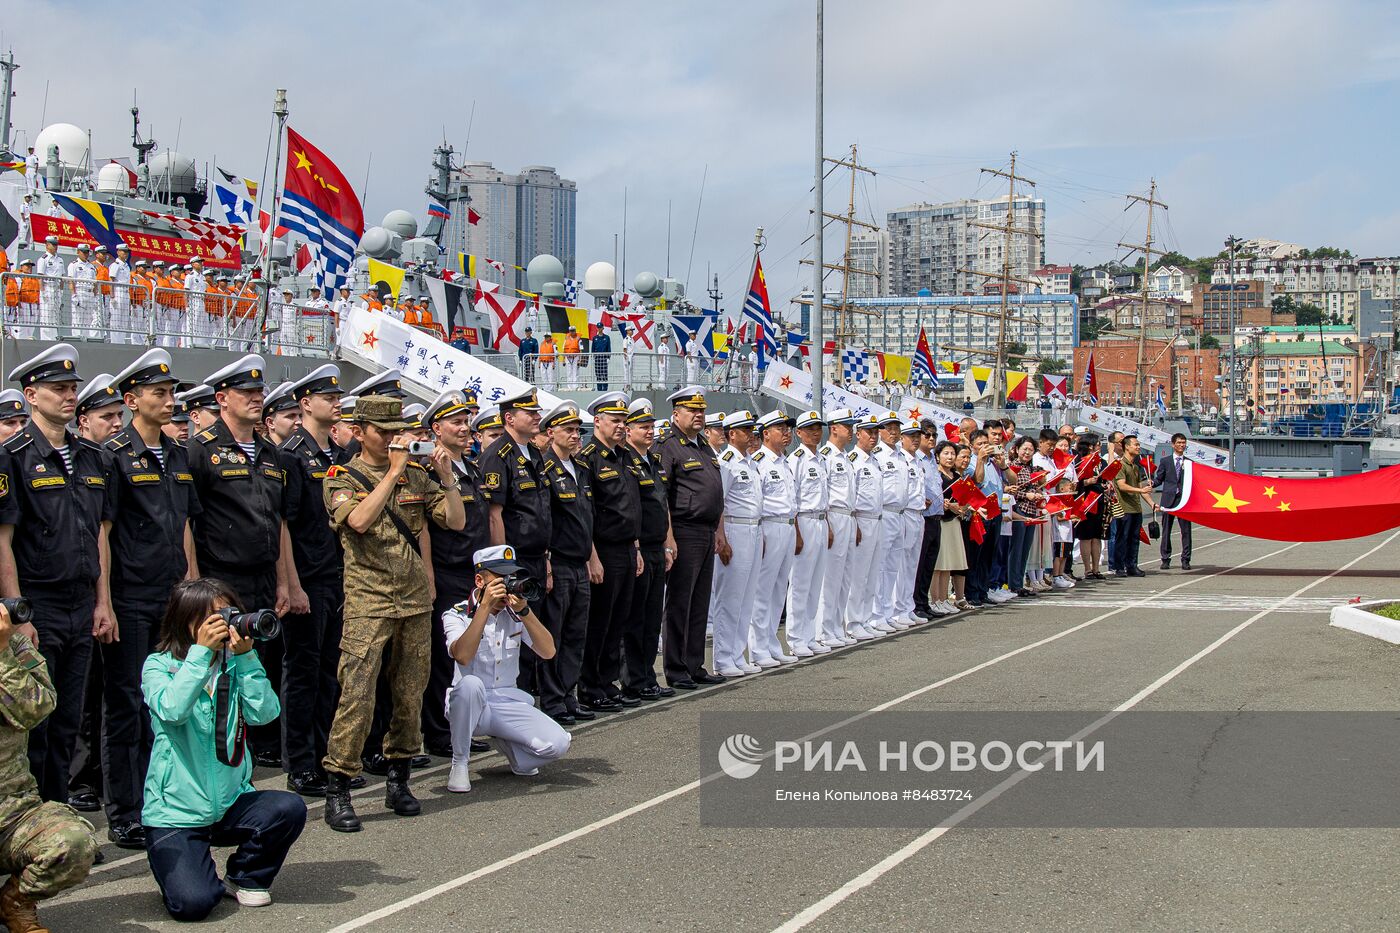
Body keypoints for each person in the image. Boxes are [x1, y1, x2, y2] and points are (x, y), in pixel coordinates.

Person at [320, 396, 464, 832]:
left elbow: (454, 522)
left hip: (415, 599)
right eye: (383, 433)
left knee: (409, 693)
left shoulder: (419, 474)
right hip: (369, 601)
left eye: (397, 431)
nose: (392, 440)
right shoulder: (342, 477)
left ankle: (400, 777)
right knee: (357, 695)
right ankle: (339, 786)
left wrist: (446, 477)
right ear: (359, 431)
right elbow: (359, 521)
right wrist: (395, 472)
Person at [142, 578, 307, 919]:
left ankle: (244, 877)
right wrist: (201, 654)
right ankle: (188, 873)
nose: (226, 622)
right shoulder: (158, 665)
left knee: (288, 807)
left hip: (230, 802)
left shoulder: (233, 663)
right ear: (186, 621)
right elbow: (172, 710)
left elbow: (265, 714)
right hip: (175, 813)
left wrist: (246, 659)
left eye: (230, 613)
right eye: (214, 617)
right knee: (194, 904)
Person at [0, 345, 118, 804]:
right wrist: (18, 612)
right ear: (32, 394)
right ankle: (30, 819)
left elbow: (98, 538)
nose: (69, 396)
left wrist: (102, 602)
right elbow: (3, 540)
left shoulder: (92, 457)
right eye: (58, 389)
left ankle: (59, 807)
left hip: (81, 602)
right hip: (38, 605)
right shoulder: (12, 456)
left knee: (69, 718)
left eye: (72, 388)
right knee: (35, 722)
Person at [99, 349, 201, 849]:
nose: (169, 401)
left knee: (174, 704)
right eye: (158, 393)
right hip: (131, 595)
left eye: (171, 392)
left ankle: (165, 797)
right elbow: (103, 533)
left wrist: (196, 593)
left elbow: (185, 527)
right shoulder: (113, 454)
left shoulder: (178, 455)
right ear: (131, 399)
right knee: (128, 705)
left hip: (172, 596)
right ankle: (125, 810)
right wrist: (105, 601)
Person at [187, 355, 294, 768]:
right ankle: (215, 761)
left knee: (255, 671)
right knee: (217, 675)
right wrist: (196, 586)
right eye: (246, 393)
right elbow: (188, 522)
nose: (256, 398)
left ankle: (243, 758)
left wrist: (285, 583)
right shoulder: (200, 450)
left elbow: (278, 522)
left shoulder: (270, 453)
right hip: (221, 579)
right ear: (222, 399)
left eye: (258, 392)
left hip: (264, 578)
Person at [0, 603, 99, 933]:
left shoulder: (13, 643)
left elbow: (38, 708)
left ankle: (16, 901)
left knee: (74, 843)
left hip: (13, 814)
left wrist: (1, 653)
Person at [443, 545, 571, 793]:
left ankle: (518, 757)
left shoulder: (515, 614)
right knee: (470, 685)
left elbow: (548, 651)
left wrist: (524, 611)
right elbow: (463, 656)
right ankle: (459, 763)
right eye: (500, 580)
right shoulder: (457, 614)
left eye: (511, 578)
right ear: (480, 581)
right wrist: (483, 609)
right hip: (470, 707)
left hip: (507, 702)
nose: (507, 586)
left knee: (558, 744)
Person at [276, 365, 346, 797]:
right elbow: (284, 523)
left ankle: (326, 754)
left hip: (337, 575)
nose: (337, 404)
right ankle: (300, 763)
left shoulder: (336, 454)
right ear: (305, 404)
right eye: (328, 397)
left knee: (330, 673)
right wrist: (293, 584)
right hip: (308, 577)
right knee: (302, 673)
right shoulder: (291, 454)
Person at [420, 390, 491, 753]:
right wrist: (429, 576)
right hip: (447, 572)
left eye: (466, 422)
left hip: (473, 573)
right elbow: (424, 529)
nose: (465, 429)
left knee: (471, 655)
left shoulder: (472, 467)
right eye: (456, 423)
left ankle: (461, 726)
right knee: (444, 655)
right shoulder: (430, 469)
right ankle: (436, 731)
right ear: (437, 429)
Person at [655, 387, 725, 689]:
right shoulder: (668, 446)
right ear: (676, 414)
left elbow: (716, 492)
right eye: (692, 411)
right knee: (680, 603)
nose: (698, 415)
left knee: (699, 602)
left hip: (706, 531)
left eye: (701, 410)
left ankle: (695, 664)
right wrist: (669, 538)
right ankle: (676, 668)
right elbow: (663, 497)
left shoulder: (704, 447)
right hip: (684, 530)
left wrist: (719, 531)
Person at [578, 392, 643, 712]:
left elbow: (630, 507)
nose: (621, 426)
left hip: (626, 548)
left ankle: (607, 681)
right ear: (597, 422)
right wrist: (593, 557)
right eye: (615, 420)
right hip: (603, 550)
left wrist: (637, 548)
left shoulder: (625, 456)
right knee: (600, 621)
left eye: (623, 421)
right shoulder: (589, 458)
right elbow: (586, 512)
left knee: (619, 619)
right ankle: (590, 686)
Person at [534, 402, 595, 724]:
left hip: (579, 562)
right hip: (557, 562)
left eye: (576, 430)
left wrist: (591, 557)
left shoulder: (580, 468)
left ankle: (568, 694)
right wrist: (545, 561)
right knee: (553, 635)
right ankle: (553, 699)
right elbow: (545, 520)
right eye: (568, 430)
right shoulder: (544, 469)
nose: (574, 435)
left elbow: (587, 520)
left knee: (575, 634)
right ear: (550, 433)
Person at [619, 399, 677, 700]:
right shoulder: (626, 462)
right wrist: (638, 547)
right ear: (628, 431)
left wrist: (669, 540)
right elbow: (631, 508)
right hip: (638, 548)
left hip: (657, 546)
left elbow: (661, 503)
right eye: (644, 427)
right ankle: (632, 681)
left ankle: (647, 677)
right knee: (635, 619)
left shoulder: (652, 460)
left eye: (651, 426)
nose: (650, 431)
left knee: (652, 617)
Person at [710, 410, 763, 676]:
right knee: (729, 597)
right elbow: (718, 503)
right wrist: (722, 538)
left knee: (746, 596)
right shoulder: (726, 462)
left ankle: (737, 653)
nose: (751, 434)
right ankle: (722, 658)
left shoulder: (751, 462)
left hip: (754, 529)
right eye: (745, 430)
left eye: (752, 429)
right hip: (735, 528)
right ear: (732, 434)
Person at [750, 411, 799, 665]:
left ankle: (771, 643)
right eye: (781, 428)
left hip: (787, 526)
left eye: (788, 428)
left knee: (779, 588)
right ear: (766, 433)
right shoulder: (760, 461)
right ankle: (758, 647)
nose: (787, 432)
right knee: (762, 590)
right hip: (770, 526)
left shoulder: (785, 461)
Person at [784, 411, 829, 656]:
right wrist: (798, 533)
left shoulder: (821, 459)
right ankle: (795, 638)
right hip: (804, 521)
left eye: (818, 428)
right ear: (798, 433)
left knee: (815, 584)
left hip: (821, 521)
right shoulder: (797, 460)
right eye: (810, 428)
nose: (815, 432)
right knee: (800, 584)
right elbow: (794, 500)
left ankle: (809, 635)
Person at [815, 409, 858, 647]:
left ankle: (836, 626)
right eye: (846, 426)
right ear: (834, 429)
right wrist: (829, 525)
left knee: (844, 577)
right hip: (833, 517)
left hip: (849, 517)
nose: (850, 431)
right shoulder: (827, 457)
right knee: (829, 578)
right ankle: (823, 629)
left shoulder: (845, 457)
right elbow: (826, 495)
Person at [844, 415, 886, 640]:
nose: (873, 436)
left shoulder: (874, 460)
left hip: (877, 519)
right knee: (858, 575)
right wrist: (857, 522)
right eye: (869, 432)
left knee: (871, 574)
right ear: (858, 433)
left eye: (876, 432)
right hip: (861, 519)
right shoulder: (854, 459)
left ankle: (866, 618)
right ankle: (853, 621)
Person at [911, 423, 944, 619]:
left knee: (929, 563)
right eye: (927, 435)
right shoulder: (916, 459)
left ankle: (923, 601)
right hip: (922, 516)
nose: (931, 438)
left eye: (934, 435)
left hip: (936, 515)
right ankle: (916, 603)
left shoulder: (932, 459)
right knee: (919, 563)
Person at [1112, 435, 1154, 578]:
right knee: (1122, 538)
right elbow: (1121, 485)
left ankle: (1132, 565)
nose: (1138, 447)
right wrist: (1140, 490)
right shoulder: (1120, 465)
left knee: (1134, 538)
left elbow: (1140, 487)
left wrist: (1152, 504)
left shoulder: (1135, 467)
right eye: (1135, 444)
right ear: (1126, 446)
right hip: (1124, 508)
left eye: (1138, 444)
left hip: (1136, 508)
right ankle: (1119, 567)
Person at [1154, 432, 1193, 570]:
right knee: (1166, 530)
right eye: (1179, 443)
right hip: (1168, 499)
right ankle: (1165, 558)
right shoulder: (1165, 461)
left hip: (1183, 500)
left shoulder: (1189, 463)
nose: (1181, 445)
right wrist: (1150, 484)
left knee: (1186, 531)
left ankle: (1186, 559)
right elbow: (1159, 479)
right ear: (1173, 444)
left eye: (1183, 443)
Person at [35, 236, 64, 342]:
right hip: (47, 288)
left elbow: (62, 278)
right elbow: (40, 277)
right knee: (46, 315)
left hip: (56, 289)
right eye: (53, 244)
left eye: (56, 244)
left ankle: (54, 337)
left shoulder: (60, 260)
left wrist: (61, 291)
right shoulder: (43, 259)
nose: (56, 246)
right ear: (47, 245)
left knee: (55, 314)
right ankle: (46, 339)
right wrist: (42, 291)